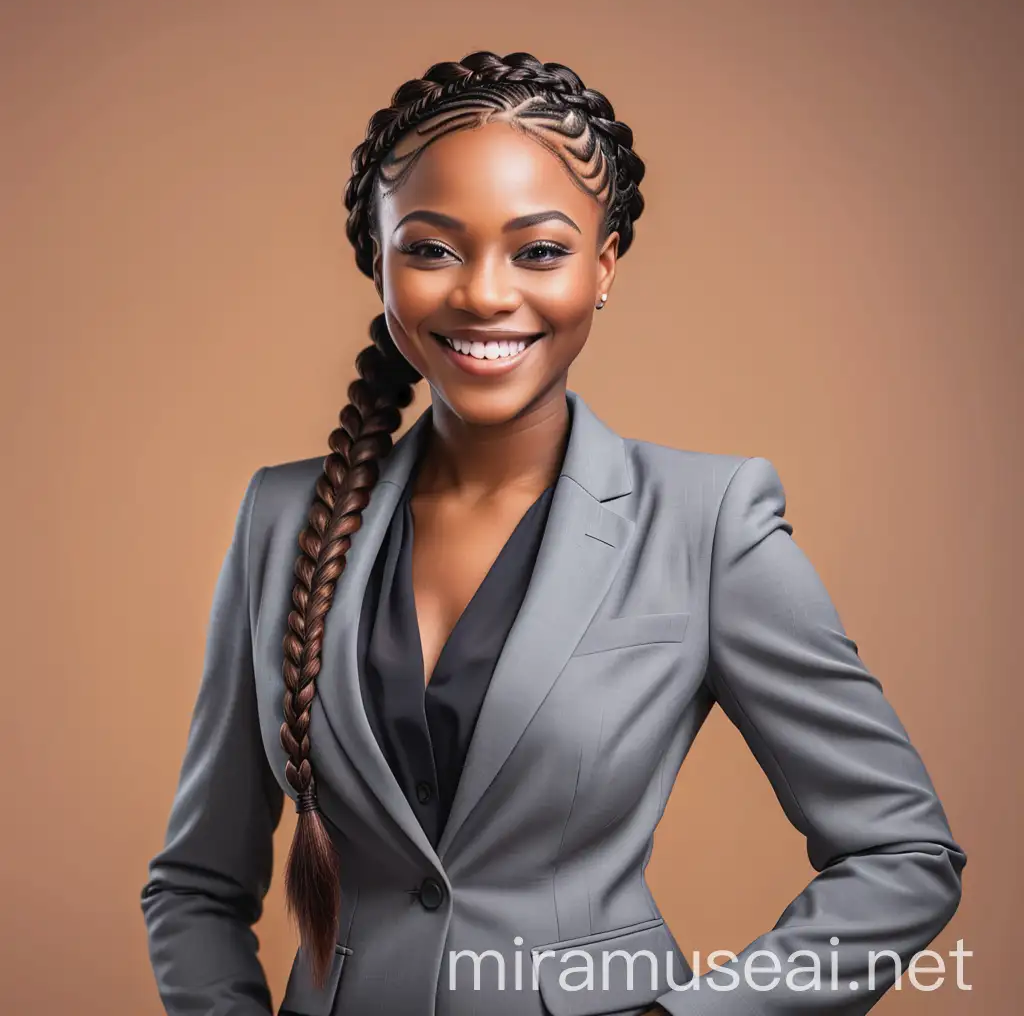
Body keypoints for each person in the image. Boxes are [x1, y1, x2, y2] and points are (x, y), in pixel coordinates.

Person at [140, 50, 966, 1016]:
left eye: (538, 250)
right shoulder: (280, 521)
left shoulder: (706, 522)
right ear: (378, 260)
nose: (485, 294)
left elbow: (902, 853)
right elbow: (195, 885)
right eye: (432, 248)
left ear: (604, 265)